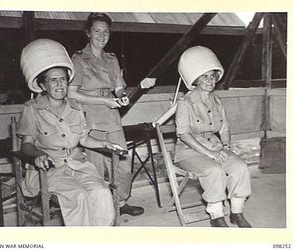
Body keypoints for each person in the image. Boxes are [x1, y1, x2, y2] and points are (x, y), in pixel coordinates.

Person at [18, 38, 123, 226]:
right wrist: (38, 153)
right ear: (43, 86)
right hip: (49, 170)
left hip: (77, 165)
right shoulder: (32, 109)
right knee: (79, 196)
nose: (59, 85)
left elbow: (83, 138)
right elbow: (26, 145)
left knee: (102, 192)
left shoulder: (75, 107)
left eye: (63, 80)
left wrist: (104, 144)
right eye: (53, 81)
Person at [68, 12, 155, 216]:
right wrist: (105, 100)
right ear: (88, 33)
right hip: (90, 118)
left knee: (122, 162)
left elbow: (118, 87)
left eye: (105, 32)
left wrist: (122, 96)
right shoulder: (78, 59)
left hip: (111, 117)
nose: (101, 35)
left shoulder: (111, 59)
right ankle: (100, 207)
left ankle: (121, 202)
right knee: (96, 167)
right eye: (97, 31)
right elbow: (72, 93)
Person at [174, 46, 252, 227]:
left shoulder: (217, 101)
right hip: (189, 152)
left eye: (213, 76)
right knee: (214, 170)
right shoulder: (185, 103)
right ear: (196, 79)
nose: (210, 81)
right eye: (205, 76)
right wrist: (210, 154)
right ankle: (216, 216)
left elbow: (224, 127)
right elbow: (184, 135)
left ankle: (236, 213)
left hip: (215, 147)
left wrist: (225, 146)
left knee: (240, 166)